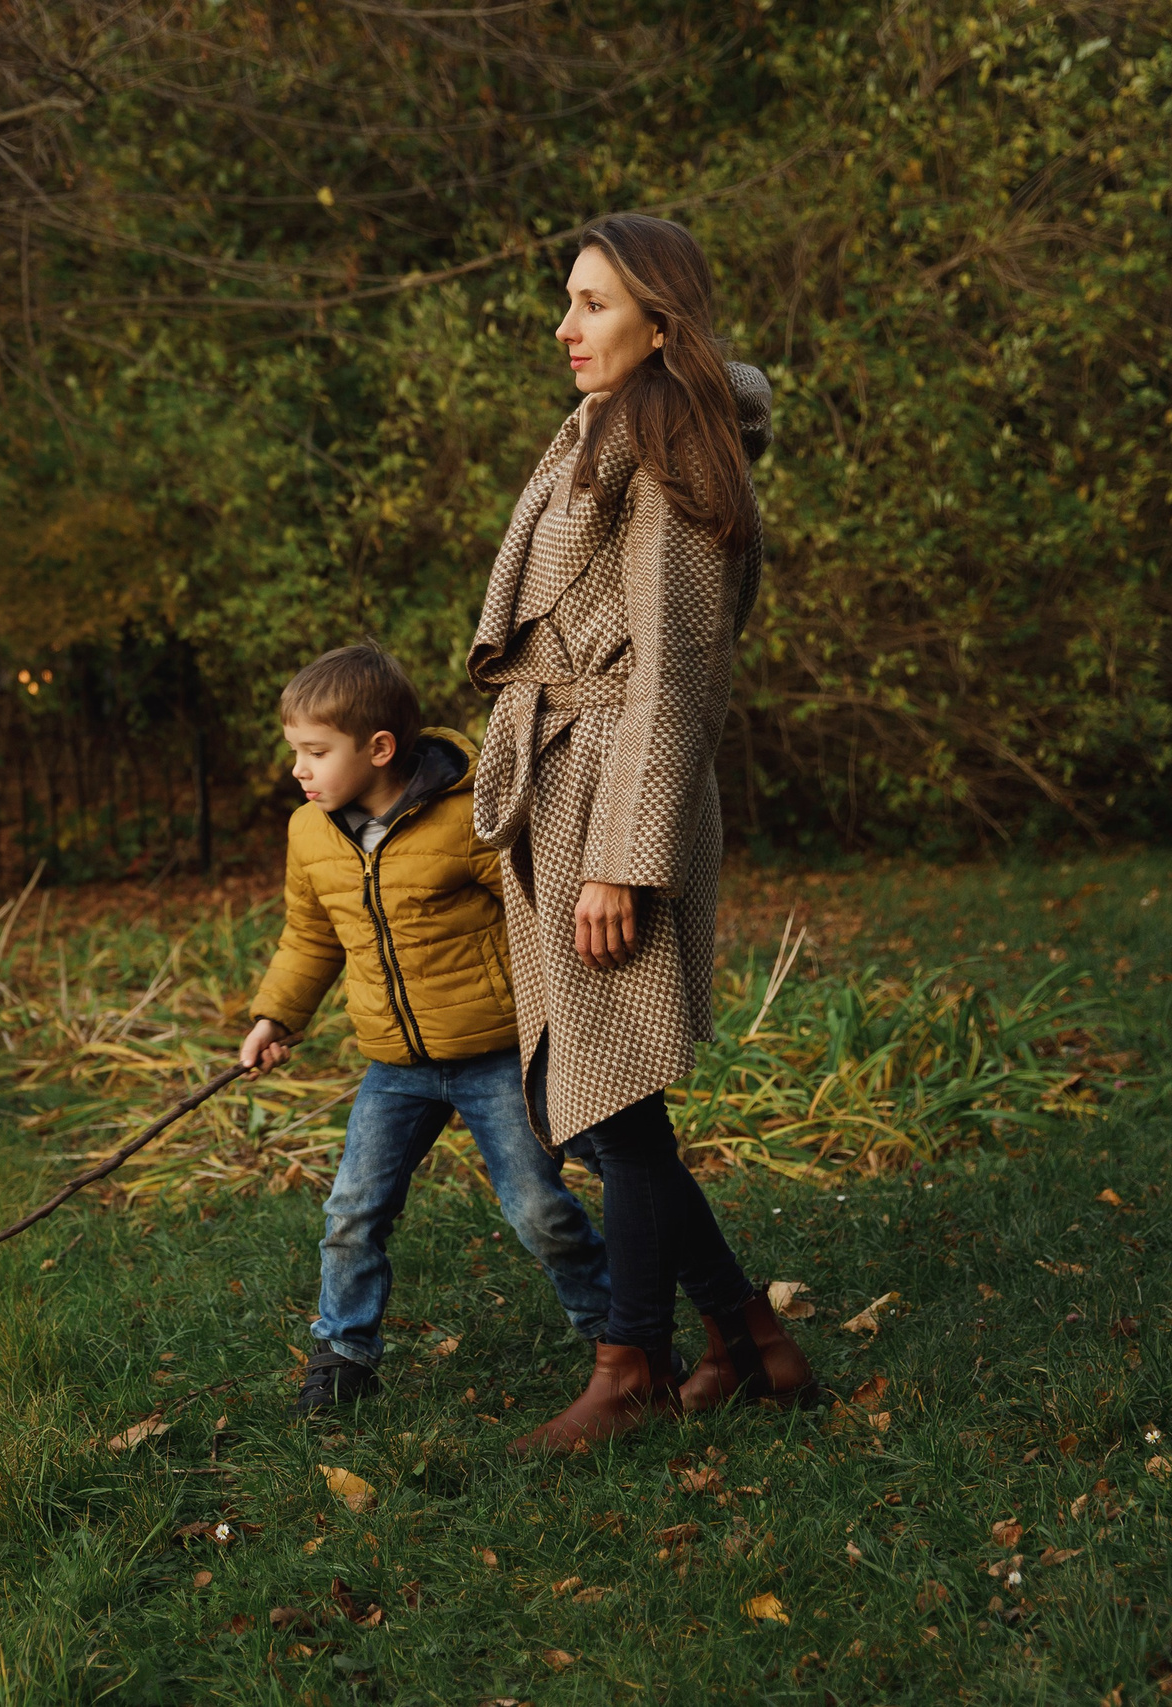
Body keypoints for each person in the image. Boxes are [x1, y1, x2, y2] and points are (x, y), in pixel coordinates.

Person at [465, 212, 820, 1455]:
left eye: (594, 306)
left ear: (662, 320)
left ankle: (631, 1369)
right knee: (610, 1102)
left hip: (615, 792)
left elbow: (675, 674)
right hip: (566, 781)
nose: (566, 329)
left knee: (612, 1103)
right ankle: (745, 1340)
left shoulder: (671, 452)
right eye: (566, 302)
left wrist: (624, 855)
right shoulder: (608, 429)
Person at [239, 641, 615, 1417]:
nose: (299, 770)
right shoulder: (310, 835)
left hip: (493, 1056)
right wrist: (276, 1016)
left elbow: (529, 914)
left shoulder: (469, 817)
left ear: (378, 749)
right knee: (352, 1210)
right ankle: (344, 1352)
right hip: (395, 1067)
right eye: (295, 753)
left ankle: (619, 1337)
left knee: (540, 1211)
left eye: (315, 752)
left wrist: (567, 1016)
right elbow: (311, 937)